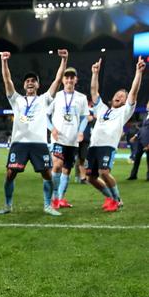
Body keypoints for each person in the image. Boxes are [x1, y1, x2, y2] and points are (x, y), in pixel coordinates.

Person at [0, 50, 68, 216]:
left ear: (38, 85)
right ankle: (8, 205)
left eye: (33, 81)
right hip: (19, 143)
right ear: (24, 85)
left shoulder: (44, 99)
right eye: (27, 81)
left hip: (39, 143)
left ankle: (47, 205)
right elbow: (7, 79)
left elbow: (58, 80)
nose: (30, 83)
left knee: (47, 174)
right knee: (10, 173)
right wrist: (4, 61)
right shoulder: (16, 100)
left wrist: (64, 60)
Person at [88, 57, 145, 211]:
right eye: (118, 94)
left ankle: (117, 199)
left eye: (123, 96)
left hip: (107, 146)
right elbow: (94, 92)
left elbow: (133, 92)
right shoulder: (102, 109)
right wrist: (95, 73)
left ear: (126, 101)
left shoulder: (124, 111)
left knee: (104, 172)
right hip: (94, 146)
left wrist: (138, 73)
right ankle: (110, 198)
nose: (119, 96)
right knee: (91, 178)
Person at [47, 67, 90, 209]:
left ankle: (60, 199)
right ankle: (53, 198)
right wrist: (52, 128)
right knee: (57, 165)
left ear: (76, 79)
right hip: (58, 138)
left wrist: (80, 131)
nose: (69, 79)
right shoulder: (56, 96)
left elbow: (84, 117)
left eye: (72, 77)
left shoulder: (82, 98)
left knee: (67, 170)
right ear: (63, 79)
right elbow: (46, 115)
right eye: (67, 77)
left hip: (73, 141)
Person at [127, 101, 149, 180]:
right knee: (136, 158)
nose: (147, 105)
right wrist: (135, 136)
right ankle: (133, 175)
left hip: (147, 142)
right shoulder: (146, 115)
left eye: (148, 104)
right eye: (147, 104)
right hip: (141, 141)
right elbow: (143, 129)